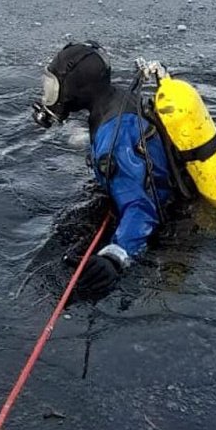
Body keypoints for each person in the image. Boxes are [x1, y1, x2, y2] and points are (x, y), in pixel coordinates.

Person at [32, 41, 184, 295]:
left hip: (168, 218)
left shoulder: (116, 138)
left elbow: (140, 206)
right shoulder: (117, 100)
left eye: (56, 86)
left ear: (78, 88)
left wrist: (116, 255)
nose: (53, 94)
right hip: (158, 187)